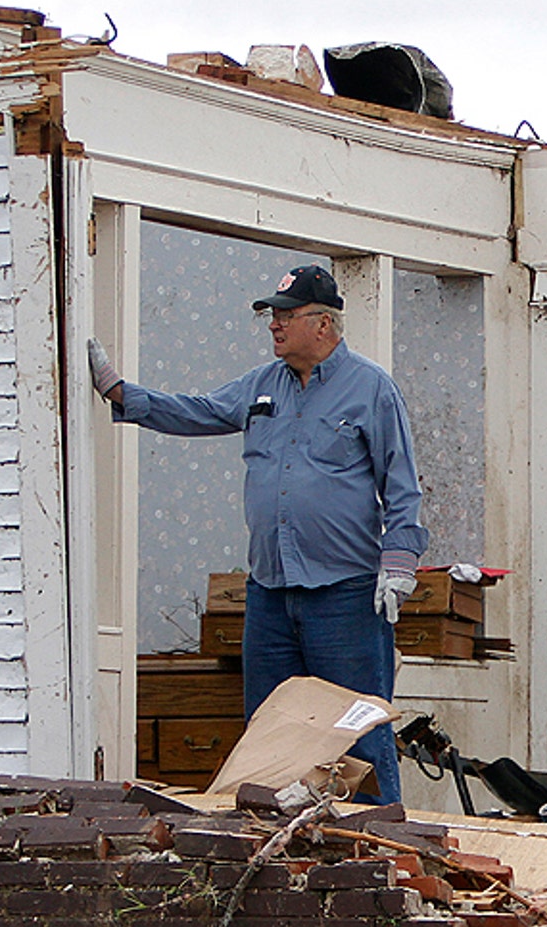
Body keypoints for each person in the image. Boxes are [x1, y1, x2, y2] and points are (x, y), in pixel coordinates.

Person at [88, 264, 429, 803]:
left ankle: (378, 851)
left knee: (357, 729)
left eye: (286, 315)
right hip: (271, 593)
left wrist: (399, 561)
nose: (274, 325)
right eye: (272, 315)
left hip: (344, 595)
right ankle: (275, 852)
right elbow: (200, 412)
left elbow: (402, 482)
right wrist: (120, 394)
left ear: (323, 324)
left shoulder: (370, 388)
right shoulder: (262, 385)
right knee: (271, 731)